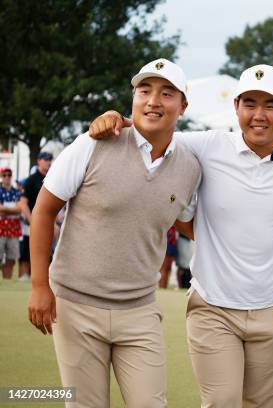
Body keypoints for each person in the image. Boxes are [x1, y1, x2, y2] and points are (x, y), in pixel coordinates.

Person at [88, 64, 273, 408]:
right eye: (249, 103)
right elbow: (151, 132)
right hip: (214, 308)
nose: (258, 115)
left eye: (269, 104)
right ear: (235, 106)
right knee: (222, 401)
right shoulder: (206, 145)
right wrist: (114, 116)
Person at [27, 58, 201, 408]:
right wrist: (39, 285)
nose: (153, 101)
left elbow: (185, 221)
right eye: (144, 91)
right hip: (75, 306)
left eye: (167, 93)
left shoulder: (190, 166)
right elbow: (44, 210)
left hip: (139, 310)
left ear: (183, 105)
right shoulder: (92, 143)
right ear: (132, 97)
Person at [18, 151, 53, 279]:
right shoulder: (31, 180)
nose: (48, 161)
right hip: (31, 224)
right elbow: (23, 204)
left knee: (48, 252)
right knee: (28, 254)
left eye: (50, 159)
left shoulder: (52, 177)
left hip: (49, 223)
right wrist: (33, 221)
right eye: (45, 159)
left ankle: (46, 279)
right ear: (39, 161)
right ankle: (27, 279)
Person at [0, 167, 25, 279]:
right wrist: (13, 209)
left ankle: (7, 281)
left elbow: (20, 208)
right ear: (1, 176)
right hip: (1, 229)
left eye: (9, 175)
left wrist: (5, 210)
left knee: (11, 258)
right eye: (4, 175)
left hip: (14, 229)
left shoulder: (17, 192)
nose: (7, 177)